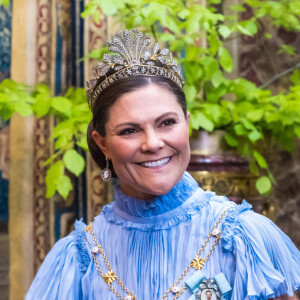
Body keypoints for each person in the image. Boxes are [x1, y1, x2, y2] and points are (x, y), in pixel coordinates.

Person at [26, 29, 300, 300]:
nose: (153, 143)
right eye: (129, 130)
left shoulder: (245, 239)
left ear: (188, 124)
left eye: (167, 123)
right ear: (102, 144)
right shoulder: (78, 258)